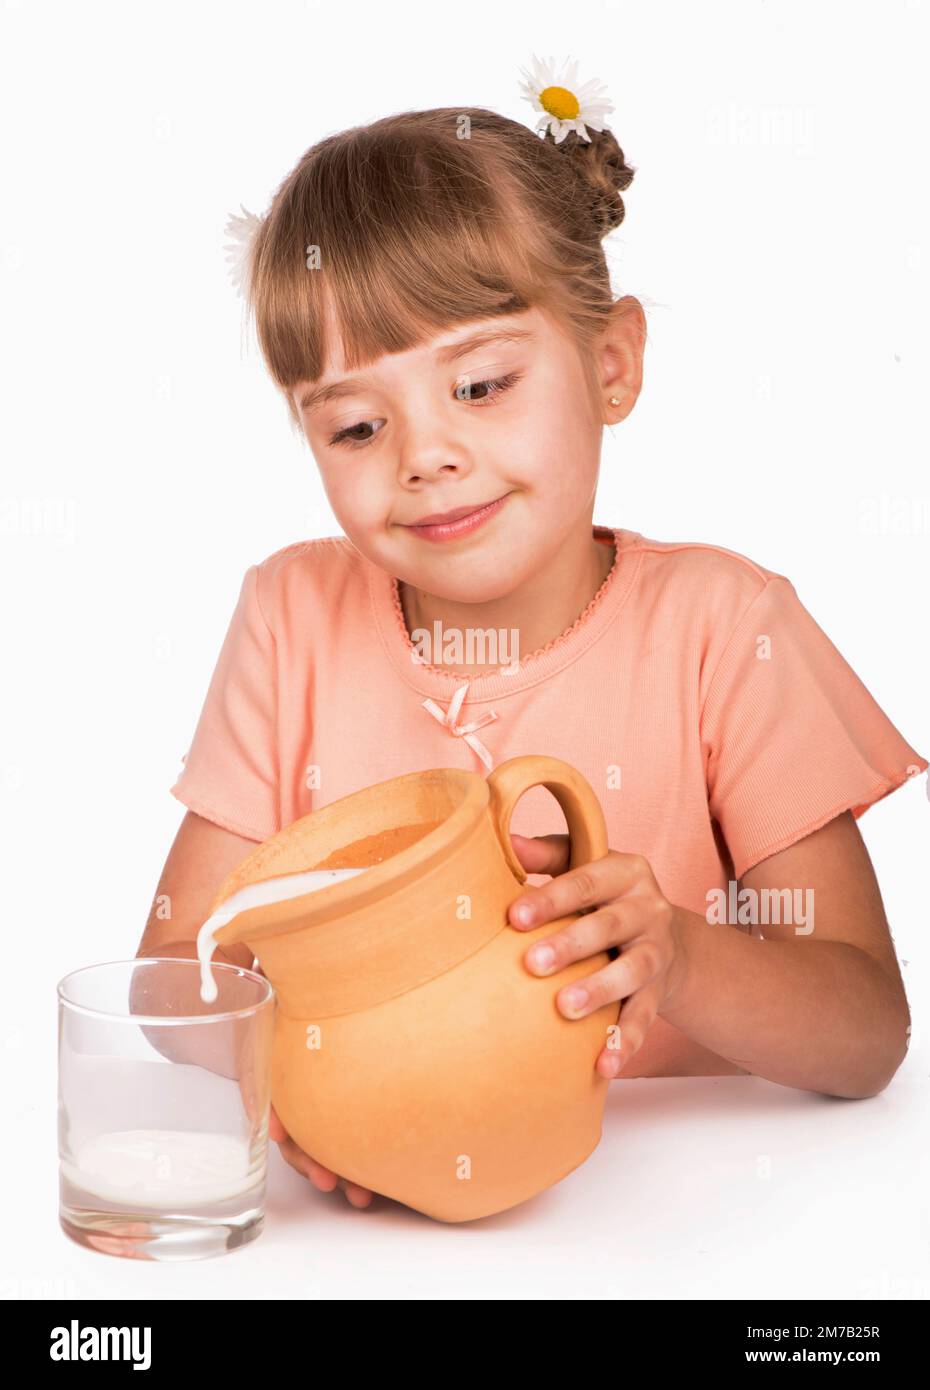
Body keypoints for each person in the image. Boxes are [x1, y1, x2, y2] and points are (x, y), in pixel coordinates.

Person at [137, 59, 927, 1211]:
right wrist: (302, 1084)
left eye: (482, 385)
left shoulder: (724, 628)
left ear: (612, 364)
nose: (424, 456)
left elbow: (868, 1034)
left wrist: (682, 952)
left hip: (719, 1219)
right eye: (358, 424)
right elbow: (175, 981)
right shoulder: (290, 617)